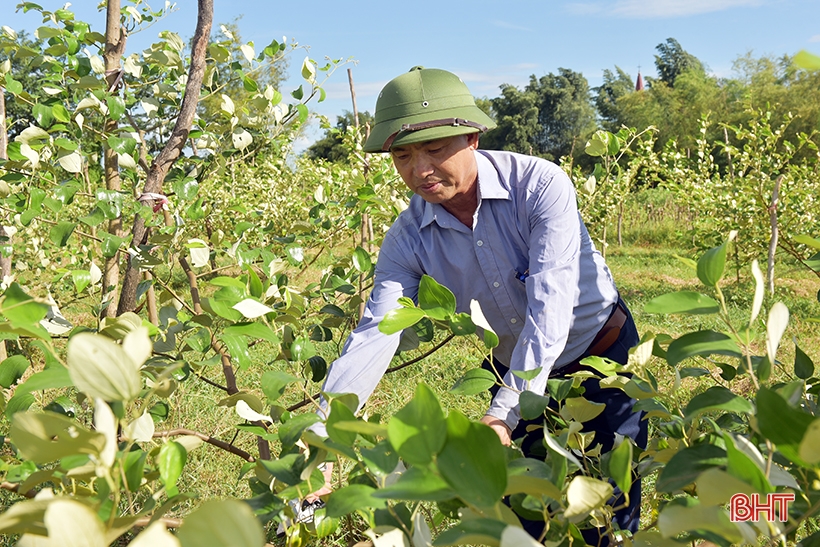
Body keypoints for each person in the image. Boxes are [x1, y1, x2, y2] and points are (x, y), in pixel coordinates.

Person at [307, 66, 645, 544]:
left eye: (434, 149)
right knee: (519, 520)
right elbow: (375, 334)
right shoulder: (407, 240)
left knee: (606, 515)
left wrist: (502, 413)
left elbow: (549, 309)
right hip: (513, 369)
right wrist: (322, 433)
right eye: (402, 156)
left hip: (599, 357)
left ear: (472, 137)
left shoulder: (539, 186)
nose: (418, 170)